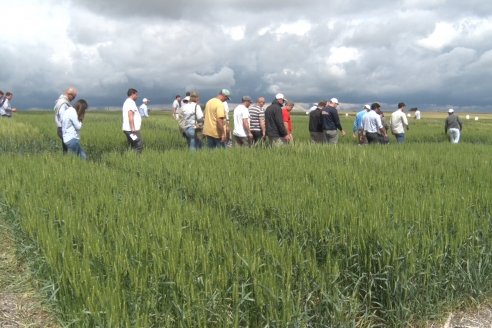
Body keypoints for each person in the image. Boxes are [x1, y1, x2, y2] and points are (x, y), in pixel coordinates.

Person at [54, 87, 78, 153]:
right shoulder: (63, 103)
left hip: (62, 129)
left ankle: (66, 160)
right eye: (73, 97)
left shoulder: (62, 101)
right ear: (69, 95)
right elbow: (63, 117)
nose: (73, 99)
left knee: (66, 149)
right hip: (63, 129)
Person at [122, 88, 143, 152]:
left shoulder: (128, 102)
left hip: (129, 129)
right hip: (131, 130)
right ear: (132, 94)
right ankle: (136, 159)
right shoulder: (130, 102)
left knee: (132, 145)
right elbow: (130, 115)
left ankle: (130, 157)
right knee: (138, 145)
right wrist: (133, 129)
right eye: (136, 95)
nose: (137, 96)